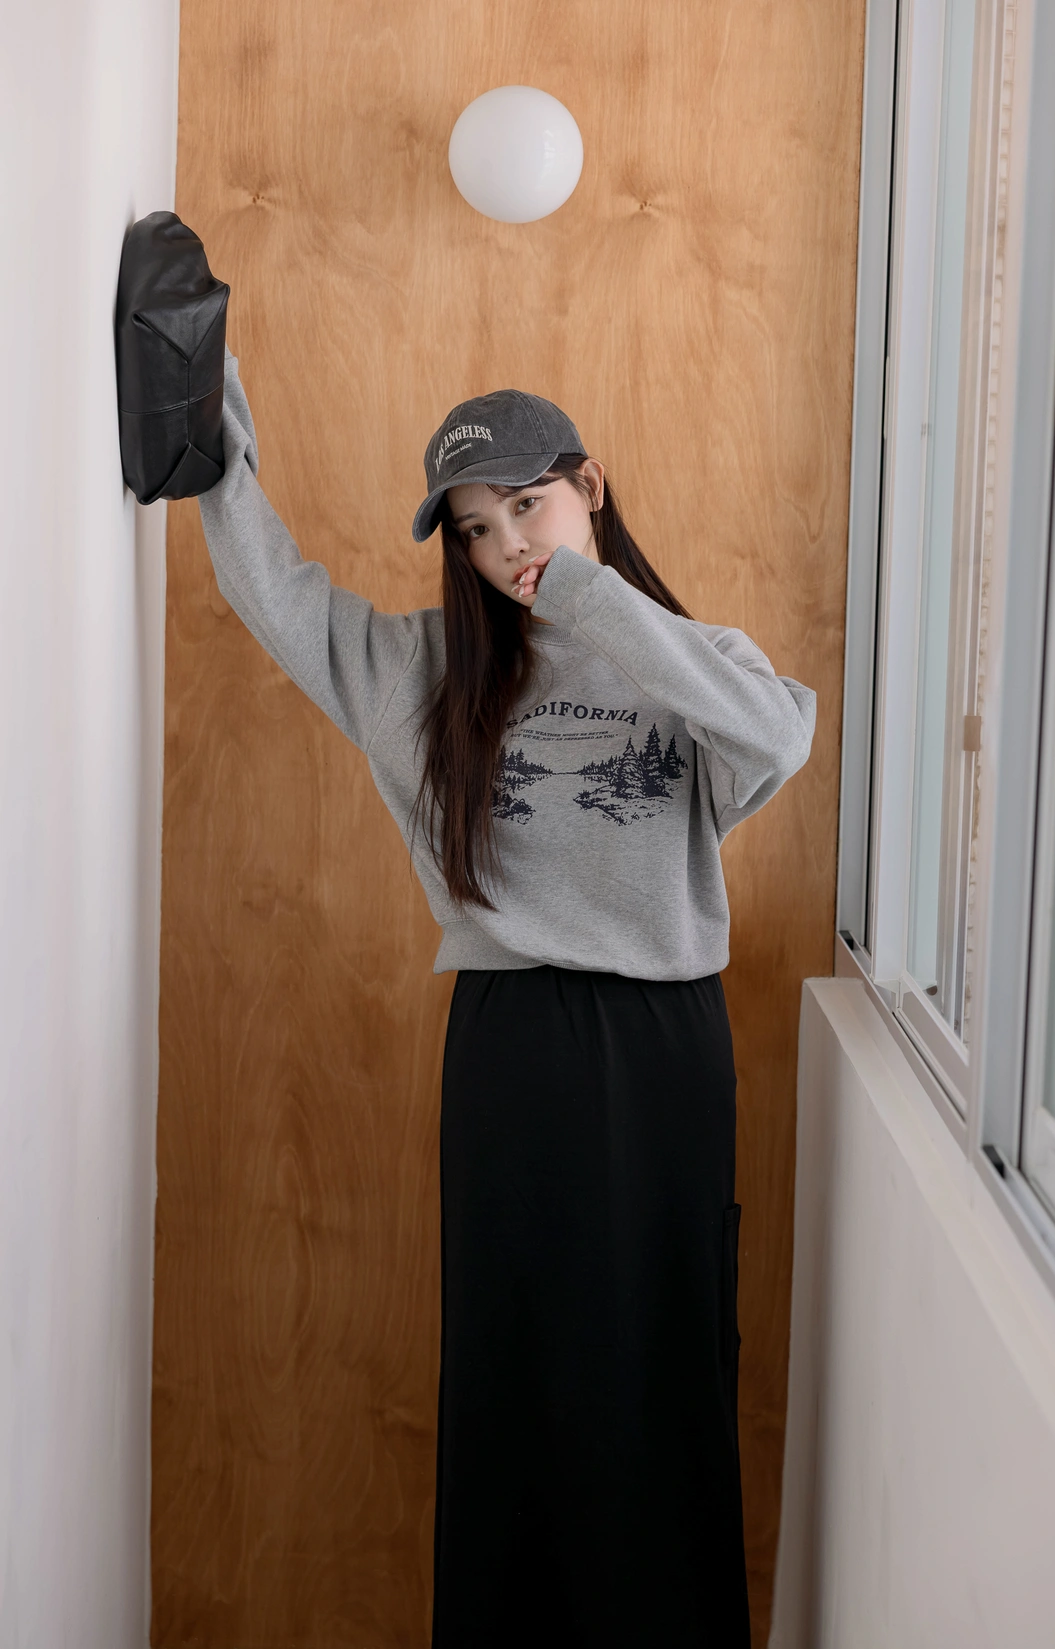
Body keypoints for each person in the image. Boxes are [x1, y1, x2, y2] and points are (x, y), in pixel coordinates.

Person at [197, 348, 816, 1649]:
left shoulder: (690, 663)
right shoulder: (425, 672)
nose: (506, 546)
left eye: (526, 506)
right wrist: (211, 422)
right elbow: (278, 594)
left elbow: (776, 736)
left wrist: (584, 594)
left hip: (665, 1046)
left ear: (591, 486)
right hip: (515, 1046)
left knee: (662, 1364)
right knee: (519, 1374)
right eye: (476, 529)